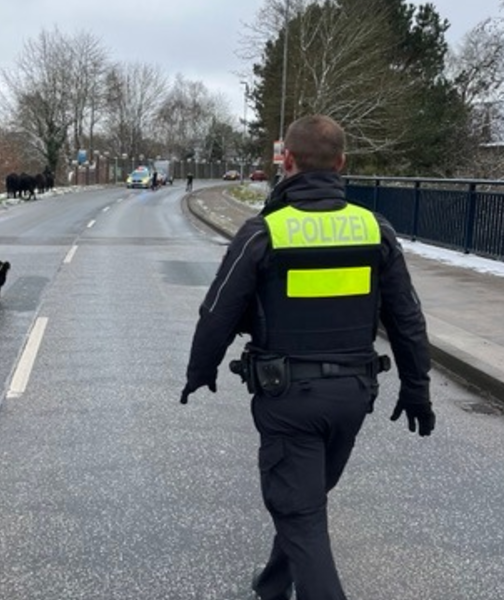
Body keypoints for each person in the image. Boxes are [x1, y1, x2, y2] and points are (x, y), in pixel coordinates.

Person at [180, 114, 434, 600]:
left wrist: (201, 369)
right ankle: (273, 585)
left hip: (289, 398)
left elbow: (218, 311)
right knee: (304, 502)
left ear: (288, 161)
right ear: (341, 163)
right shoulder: (375, 230)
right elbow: (407, 318)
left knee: (300, 511)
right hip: (353, 396)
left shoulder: (265, 232)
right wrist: (416, 388)